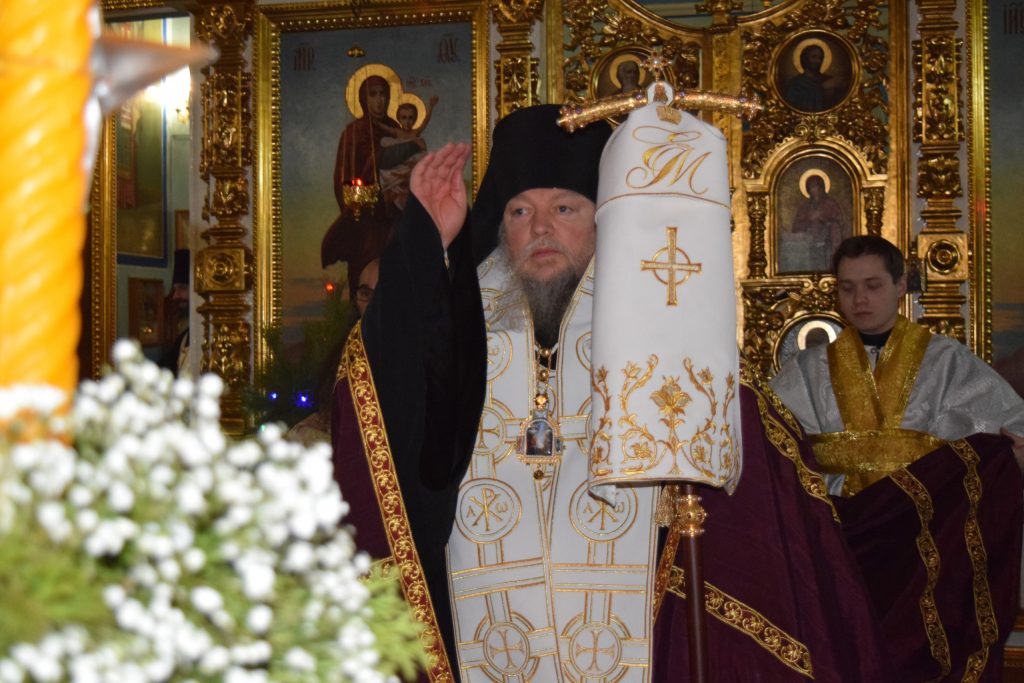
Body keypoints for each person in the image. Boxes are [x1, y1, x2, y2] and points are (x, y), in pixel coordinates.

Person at [330, 105, 912, 682]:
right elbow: (383, 387)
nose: (540, 229)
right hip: (486, 624)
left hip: (630, 623)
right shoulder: (460, 320)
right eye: (520, 211)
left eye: (564, 208)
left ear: (602, 218)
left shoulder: (661, 322)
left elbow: (750, 480)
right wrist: (424, 244)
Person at [771, 234, 1024, 679]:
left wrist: (1008, 457)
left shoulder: (947, 363)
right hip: (838, 538)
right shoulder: (806, 370)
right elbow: (772, 443)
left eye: (872, 285)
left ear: (900, 285)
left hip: (924, 542)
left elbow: (1010, 428)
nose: (860, 299)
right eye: (848, 288)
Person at [322, 74, 401, 301]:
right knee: (362, 269)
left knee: (393, 270)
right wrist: (353, 208)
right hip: (364, 217)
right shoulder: (353, 132)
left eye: (383, 94)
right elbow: (342, 176)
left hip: (392, 215)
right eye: (373, 95)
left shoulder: (395, 129)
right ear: (363, 99)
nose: (379, 100)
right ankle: (359, 316)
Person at [783, 173, 846, 271]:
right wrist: (809, 219)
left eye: (816, 187)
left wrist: (821, 218)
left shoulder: (830, 204)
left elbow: (839, 222)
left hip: (827, 239)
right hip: (808, 241)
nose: (814, 190)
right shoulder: (805, 207)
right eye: (811, 188)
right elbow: (796, 227)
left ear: (822, 187)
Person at [783, 43, 846, 113]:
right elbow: (794, 105)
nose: (818, 61)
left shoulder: (828, 79)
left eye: (820, 58)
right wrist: (823, 88)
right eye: (814, 57)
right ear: (805, 59)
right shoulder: (795, 83)